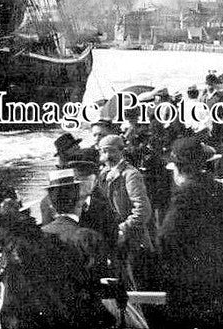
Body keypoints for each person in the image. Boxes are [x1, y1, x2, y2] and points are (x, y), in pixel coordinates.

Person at [157, 137, 223, 329]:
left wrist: (173, 281)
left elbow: (166, 240)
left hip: (194, 295)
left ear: (177, 170)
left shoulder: (183, 198)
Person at [40, 169, 117, 329]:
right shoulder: (88, 238)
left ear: (52, 206)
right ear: (79, 202)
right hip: (84, 317)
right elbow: (100, 278)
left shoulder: (40, 236)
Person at [98, 134, 154, 289]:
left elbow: (143, 210)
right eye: (104, 151)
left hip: (133, 241)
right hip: (114, 240)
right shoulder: (103, 175)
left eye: (111, 151)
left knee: (138, 283)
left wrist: (124, 228)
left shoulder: (130, 174)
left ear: (121, 151)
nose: (108, 156)